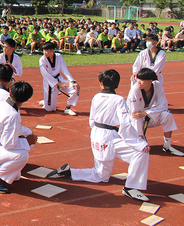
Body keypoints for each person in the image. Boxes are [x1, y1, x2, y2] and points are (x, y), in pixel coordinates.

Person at [47, 69, 151, 202]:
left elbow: (92, 120)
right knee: (140, 152)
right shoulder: (119, 100)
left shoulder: (96, 97)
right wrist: (140, 142)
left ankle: (69, 172)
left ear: (101, 84)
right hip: (108, 138)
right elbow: (125, 125)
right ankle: (131, 187)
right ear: (117, 85)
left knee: (102, 176)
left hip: (97, 134)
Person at [127, 68, 184, 156]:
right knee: (136, 118)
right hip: (136, 119)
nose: (138, 81)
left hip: (148, 115)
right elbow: (134, 113)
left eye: (142, 80)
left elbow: (163, 104)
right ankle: (141, 144)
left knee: (167, 115)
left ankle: (167, 146)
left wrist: (147, 113)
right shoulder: (134, 90)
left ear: (150, 81)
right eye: (138, 79)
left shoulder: (157, 85)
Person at [38, 41, 80, 115]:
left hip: (59, 78)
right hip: (49, 82)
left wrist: (72, 81)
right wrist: (58, 84)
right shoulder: (42, 60)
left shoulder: (58, 56)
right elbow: (45, 74)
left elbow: (64, 69)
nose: (44, 52)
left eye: (46, 51)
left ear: (52, 50)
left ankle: (68, 108)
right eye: (43, 50)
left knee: (75, 88)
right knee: (50, 109)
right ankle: (45, 101)